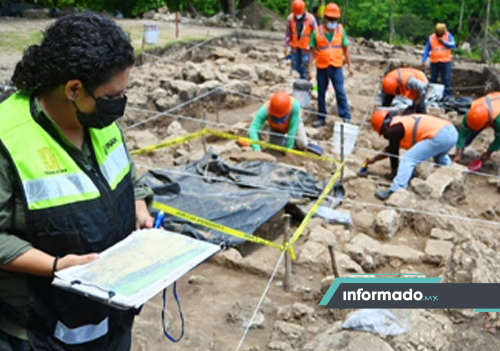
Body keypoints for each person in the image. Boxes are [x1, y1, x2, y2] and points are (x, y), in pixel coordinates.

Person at [0, 12, 154, 351]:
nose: (120, 105)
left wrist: (139, 209)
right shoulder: (7, 137)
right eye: (114, 96)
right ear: (73, 89)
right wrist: (57, 267)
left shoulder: (98, 119)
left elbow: (125, 174)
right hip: (38, 332)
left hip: (111, 316)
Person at [367, 110, 457, 200]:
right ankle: (453, 178)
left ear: (385, 128)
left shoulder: (393, 131)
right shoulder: (399, 122)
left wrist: (394, 170)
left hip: (439, 135)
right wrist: (374, 159)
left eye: (383, 134)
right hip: (451, 132)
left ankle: (396, 189)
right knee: (439, 156)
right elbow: (391, 148)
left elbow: (393, 153)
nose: (385, 136)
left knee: (408, 159)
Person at [308, 2, 353, 127]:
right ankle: (321, 117)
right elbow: (311, 53)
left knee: (340, 92)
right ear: (324, 17)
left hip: (336, 67)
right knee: (321, 93)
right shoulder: (316, 32)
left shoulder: (340, 30)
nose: (333, 21)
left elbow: (346, 49)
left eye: (335, 19)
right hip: (322, 68)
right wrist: (309, 70)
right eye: (330, 19)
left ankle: (345, 116)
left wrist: (350, 66)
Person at [453, 92, 500, 168]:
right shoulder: (471, 114)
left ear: (487, 121)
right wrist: (458, 153)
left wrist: (488, 153)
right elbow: (462, 133)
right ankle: (461, 150)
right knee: (469, 134)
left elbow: (499, 139)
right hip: (491, 108)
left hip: (497, 112)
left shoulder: (498, 120)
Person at [284, 0, 318, 80]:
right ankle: (298, 84)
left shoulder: (310, 19)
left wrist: (316, 48)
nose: (297, 15)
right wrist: (286, 46)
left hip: (307, 49)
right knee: (296, 68)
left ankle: (304, 85)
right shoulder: (290, 18)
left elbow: (316, 34)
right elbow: (288, 33)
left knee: (305, 69)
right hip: (295, 49)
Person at [422, 23, 456, 98]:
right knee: (433, 79)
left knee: (446, 79)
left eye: (441, 33)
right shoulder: (431, 37)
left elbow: (453, 45)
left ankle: (447, 96)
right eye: (438, 33)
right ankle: (433, 95)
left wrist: (444, 42)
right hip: (434, 62)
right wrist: (424, 59)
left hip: (445, 61)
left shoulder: (448, 35)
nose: (439, 34)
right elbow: (427, 49)